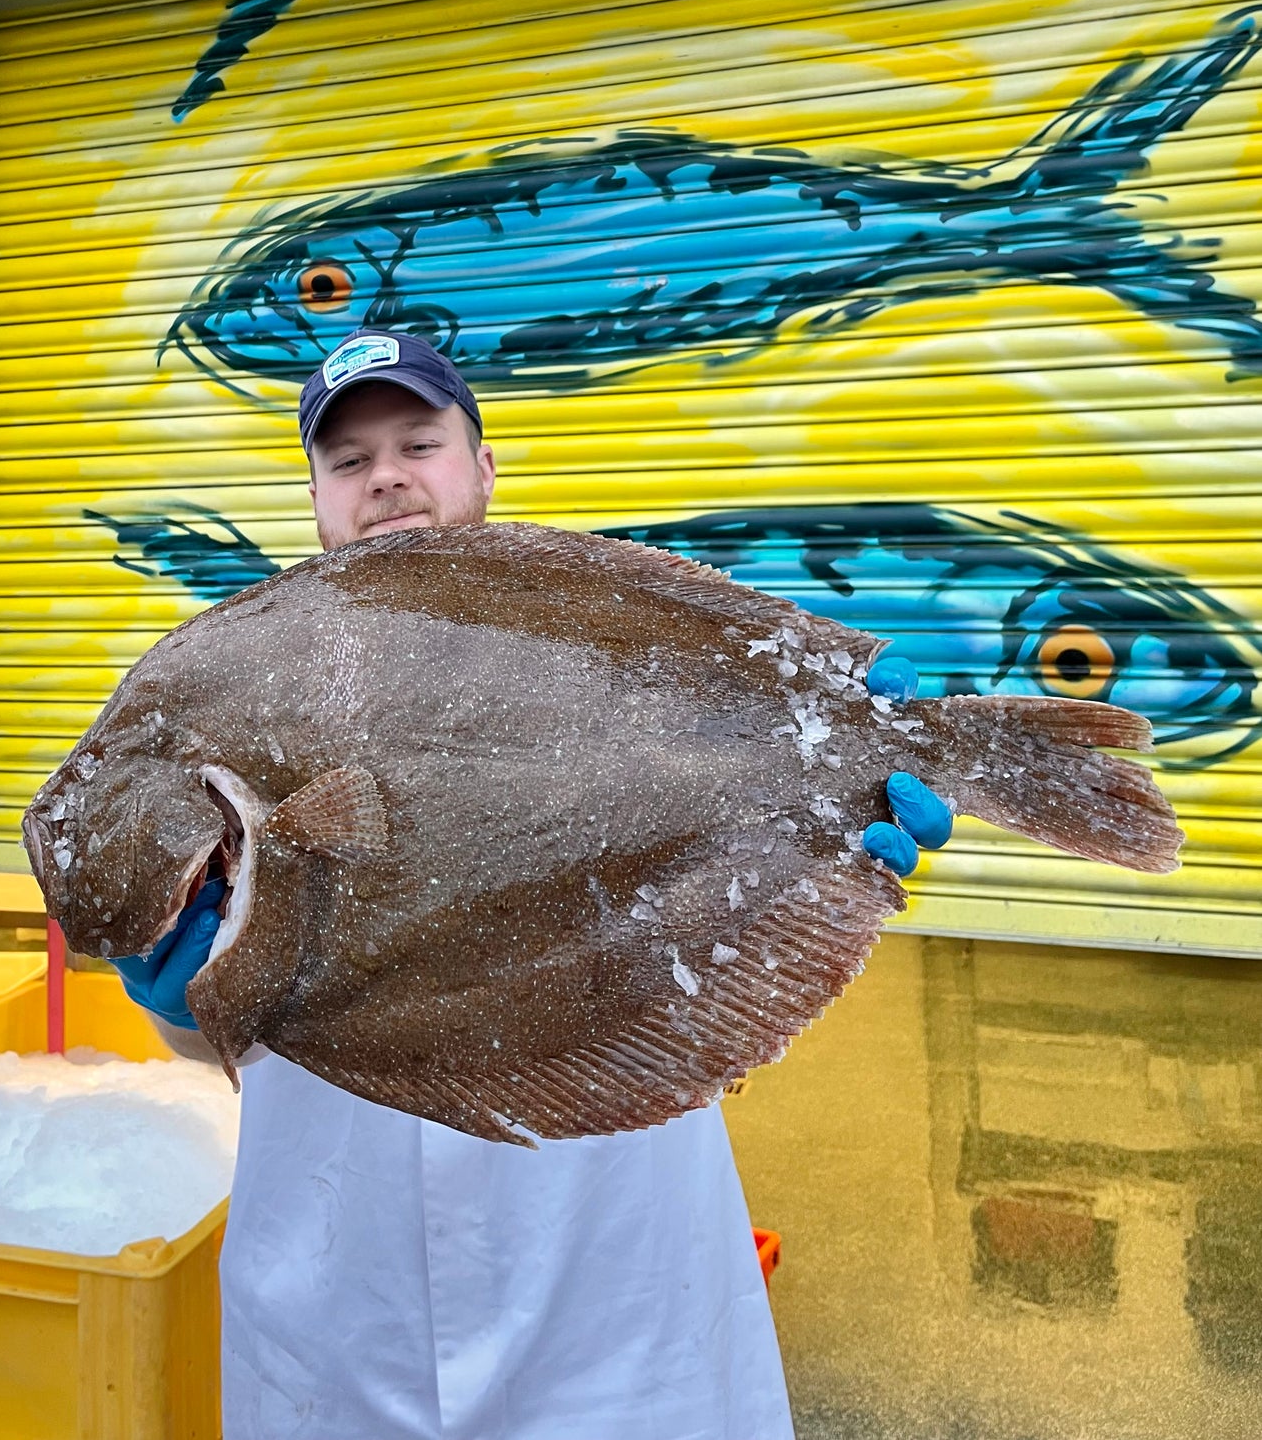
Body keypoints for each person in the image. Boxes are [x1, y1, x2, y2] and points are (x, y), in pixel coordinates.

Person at [116, 327, 953, 1439]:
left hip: (608, 1268)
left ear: (482, 466)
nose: (387, 479)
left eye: (418, 440)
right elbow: (219, 1017)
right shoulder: (229, 683)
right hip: (334, 1279)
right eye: (349, 460)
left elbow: (716, 851)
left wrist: (824, 809)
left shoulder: (609, 636)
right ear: (315, 494)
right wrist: (180, 997)